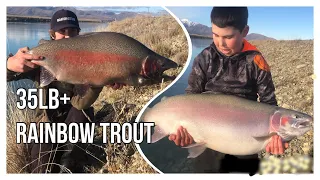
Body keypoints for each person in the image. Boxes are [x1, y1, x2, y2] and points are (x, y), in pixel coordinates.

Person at [168, 7, 289, 174]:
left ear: (244, 31)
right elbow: (191, 99)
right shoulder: (205, 57)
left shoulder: (256, 61)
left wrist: (275, 137)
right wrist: (186, 132)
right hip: (207, 138)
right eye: (215, 35)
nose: (220, 43)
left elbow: (270, 105)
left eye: (228, 37)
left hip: (245, 140)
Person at [7, 9, 122, 173]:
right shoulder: (40, 56)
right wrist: (9, 65)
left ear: (79, 33)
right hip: (46, 123)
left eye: (72, 31)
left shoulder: (89, 59)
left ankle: (71, 163)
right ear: (52, 34)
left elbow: (80, 102)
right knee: (41, 168)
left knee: (70, 161)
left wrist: (98, 81)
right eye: (62, 31)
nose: (68, 36)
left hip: (77, 117)